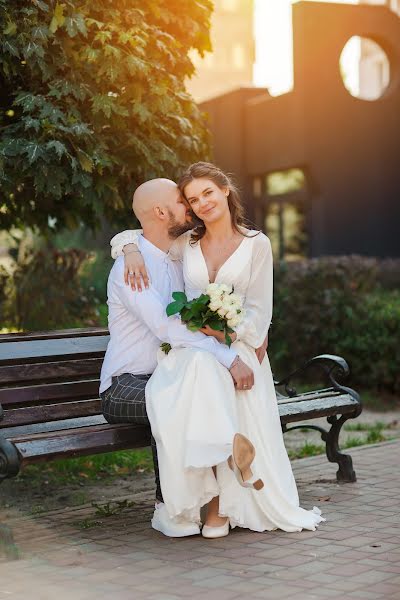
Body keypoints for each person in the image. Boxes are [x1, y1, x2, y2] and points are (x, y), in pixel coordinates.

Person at [110, 162, 326, 537]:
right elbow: (144, 231)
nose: (200, 203)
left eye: (206, 193)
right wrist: (127, 248)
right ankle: (219, 492)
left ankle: (219, 505)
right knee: (199, 377)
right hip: (191, 349)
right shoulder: (186, 243)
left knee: (208, 379)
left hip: (233, 345)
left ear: (225, 189)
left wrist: (230, 333)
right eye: (191, 199)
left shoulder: (257, 244)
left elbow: (260, 313)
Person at [100, 177, 257, 538]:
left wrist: (127, 242)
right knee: (173, 401)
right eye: (181, 201)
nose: (190, 206)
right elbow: (168, 329)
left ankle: (212, 502)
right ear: (160, 211)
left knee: (185, 395)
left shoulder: (179, 252)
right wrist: (227, 358)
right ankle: (173, 507)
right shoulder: (130, 269)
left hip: (168, 375)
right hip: (123, 386)